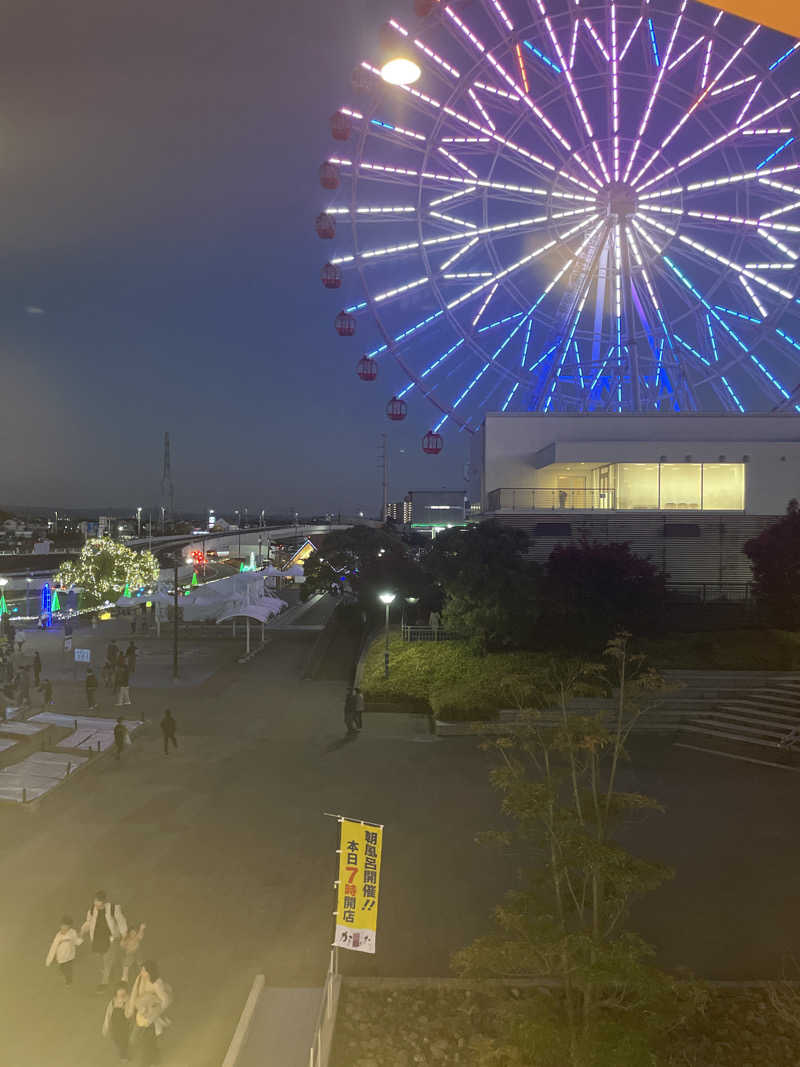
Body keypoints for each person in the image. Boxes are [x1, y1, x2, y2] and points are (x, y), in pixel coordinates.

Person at [126, 961, 171, 1066]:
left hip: (151, 1015)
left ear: (150, 972)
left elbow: (165, 1000)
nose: (141, 972)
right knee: (136, 1036)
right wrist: (133, 1008)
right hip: (142, 1012)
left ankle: (151, 1059)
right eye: (142, 970)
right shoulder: (141, 979)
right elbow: (136, 995)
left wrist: (154, 1013)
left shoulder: (157, 983)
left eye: (144, 970)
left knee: (148, 1040)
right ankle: (147, 1057)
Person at [81, 890, 128, 991]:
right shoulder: (92, 909)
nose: (97, 907)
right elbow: (89, 922)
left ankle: (104, 983)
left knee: (108, 959)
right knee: (101, 960)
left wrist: (124, 936)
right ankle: (107, 974)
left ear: (104, 902)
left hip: (110, 938)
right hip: (98, 939)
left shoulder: (113, 908)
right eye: (96, 904)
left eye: (99, 905)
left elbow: (121, 922)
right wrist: (82, 931)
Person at [46, 915, 83, 986]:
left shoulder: (72, 933)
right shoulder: (58, 936)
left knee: (68, 970)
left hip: (70, 957)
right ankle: (62, 970)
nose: (64, 928)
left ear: (69, 926)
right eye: (62, 926)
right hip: (61, 957)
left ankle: (68, 980)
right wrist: (49, 960)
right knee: (63, 968)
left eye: (66, 926)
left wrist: (80, 939)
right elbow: (53, 948)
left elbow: (76, 941)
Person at [102, 983, 133, 1061]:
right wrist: (106, 1026)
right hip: (115, 1025)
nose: (122, 997)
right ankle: (122, 1049)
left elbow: (129, 1015)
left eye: (124, 994)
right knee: (116, 1039)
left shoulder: (128, 1001)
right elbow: (108, 1014)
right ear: (116, 993)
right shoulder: (113, 1001)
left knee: (124, 1040)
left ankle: (123, 1055)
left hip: (124, 1025)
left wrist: (125, 1005)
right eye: (120, 994)